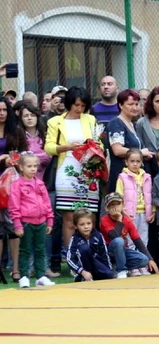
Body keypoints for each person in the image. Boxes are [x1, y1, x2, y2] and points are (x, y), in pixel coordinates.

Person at [45, 87, 100, 251]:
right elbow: (48, 147)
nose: (80, 109)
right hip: (67, 170)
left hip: (88, 170)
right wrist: (67, 147)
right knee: (69, 218)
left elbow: (99, 143)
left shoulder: (90, 119)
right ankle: (72, 257)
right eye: (76, 105)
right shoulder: (55, 122)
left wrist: (96, 148)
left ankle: (91, 254)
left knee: (90, 216)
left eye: (83, 106)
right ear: (69, 104)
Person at [9, 152, 55, 288]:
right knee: (25, 250)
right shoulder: (17, 185)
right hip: (26, 222)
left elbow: (47, 203)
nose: (33, 169)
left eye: (35, 166)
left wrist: (50, 220)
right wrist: (17, 224)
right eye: (29, 166)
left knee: (41, 249)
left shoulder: (40, 184)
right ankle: (24, 276)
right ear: (21, 167)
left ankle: (40, 276)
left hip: (41, 222)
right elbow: (14, 206)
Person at [100, 192, 159, 278]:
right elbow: (114, 237)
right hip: (109, 251)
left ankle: (120, 267)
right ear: (106, 208)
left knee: (144, 259)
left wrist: (150, 259)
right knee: (119, 241)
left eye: (118, 204)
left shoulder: (127, 220)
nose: (115, 207)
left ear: (123, 205)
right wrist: (119, 220)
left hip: (123, 251)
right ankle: (121, 270)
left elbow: (137, 240)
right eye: (111, 205)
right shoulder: (104, 220)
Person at [115, 148, 153, 276]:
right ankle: (132, 267)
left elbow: (150, 195)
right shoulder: (122, 177)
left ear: (142, 162)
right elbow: (118, 196)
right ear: (126, 162)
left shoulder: (146, 177)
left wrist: (152, 211)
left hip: (144, 213)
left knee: (143, 240)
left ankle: (143, 265)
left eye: (138, 161)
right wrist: (122, 211)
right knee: (130, 241)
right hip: (130, 214)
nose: (135, 164)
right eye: (132, 161)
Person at [107, 89, 152, 193]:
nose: (135, 107)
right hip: (121, 178)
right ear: (121, 105)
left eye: (137, 104)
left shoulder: (133, 125)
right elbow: (117, 150)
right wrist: (141, 153)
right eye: (131, 104)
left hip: (135, 178)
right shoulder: (116, 123)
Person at [66, 208, 113, 281]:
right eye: (82, 224)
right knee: (84, 248)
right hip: (83, 269)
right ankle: (83, 277)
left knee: (109, 274)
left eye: (89, 223)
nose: (86, 227)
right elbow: (69, 259)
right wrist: (82, 271)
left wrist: (108, 270)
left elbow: (105, 254)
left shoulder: (98, 236)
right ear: (75, 226)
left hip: (96, 264)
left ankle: (94, 277)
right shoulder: (75, 239)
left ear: (92, 224)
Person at [19, 104, 51, 180]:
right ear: (21, 119)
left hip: (45, 179)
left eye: (32, 115)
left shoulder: (46, 135)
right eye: (26, 116)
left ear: (37, 117)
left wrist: (29, 157)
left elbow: (50, 156)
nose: (29, 118)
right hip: (23, 180)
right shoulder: (17, 136)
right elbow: (17, 159)